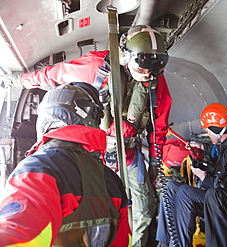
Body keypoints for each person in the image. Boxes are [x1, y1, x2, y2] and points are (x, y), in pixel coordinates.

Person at [1, 25, 172, 247]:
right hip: (93, 154)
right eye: (143, 65)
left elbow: (159, 122)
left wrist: (156, 166)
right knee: (91, 209)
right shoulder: (94, 68)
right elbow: (53, 74)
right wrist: (19, 81)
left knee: (145, 208)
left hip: (129, 152)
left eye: (155, 67)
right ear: (126, 55)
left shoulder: (155, 79)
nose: (148, 73)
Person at [0, 83, 131, 246]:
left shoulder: (36, 169)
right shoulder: (112, 181)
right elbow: (123, 241)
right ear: (91, 119)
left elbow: (16, 237)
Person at [156, 103, 227, 247]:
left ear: (216, 131)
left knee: (185, 193)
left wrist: (204, 177)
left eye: (208, 132)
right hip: (215, 196)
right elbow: (220, 155)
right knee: (170, 187)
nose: (208, 136)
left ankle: (180, 245)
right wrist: (203, 148)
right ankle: (164, 243)